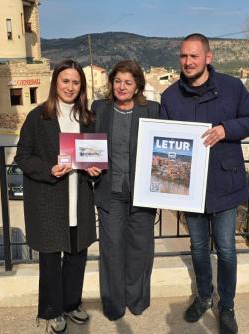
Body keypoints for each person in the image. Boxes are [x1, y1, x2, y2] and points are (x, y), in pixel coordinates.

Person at [160, 33, 249, 334]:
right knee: (199, 246)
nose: (188, 62)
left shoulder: (232, 88)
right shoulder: (169, 96)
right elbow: (164, 143)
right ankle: (204, 296)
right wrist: (164, 183)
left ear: (208, 57)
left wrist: (225, 129)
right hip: (188, 187)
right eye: (183, 56)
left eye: (194, 56)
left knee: (227, 249)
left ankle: (226, 305)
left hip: (225, 183)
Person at [14, 60, 101, 334]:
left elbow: (93, 157)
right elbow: (23, 157)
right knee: (51, 260)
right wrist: (49, 168)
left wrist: (95, 170)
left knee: (77, 257)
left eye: (76, 82)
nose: (70, 87)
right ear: (55, 83)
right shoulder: (38, 117)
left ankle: (72, 303)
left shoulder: (88, 118)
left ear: (81, 86)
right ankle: (52, 310)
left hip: (80, 199)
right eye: (65, 81)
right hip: (50, 201)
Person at [91, 60, 160, 320]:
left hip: (143, 192)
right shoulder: (99, 109)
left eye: (128, 82)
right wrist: (89, 166)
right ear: (111, 83)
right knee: (111, 248)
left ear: (138, 86)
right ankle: (113, 304)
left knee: (141, 249)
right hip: (110, 192)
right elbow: (87, 143)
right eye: (118, 81)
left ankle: (137, 300)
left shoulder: (153, 109)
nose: (122, 87)